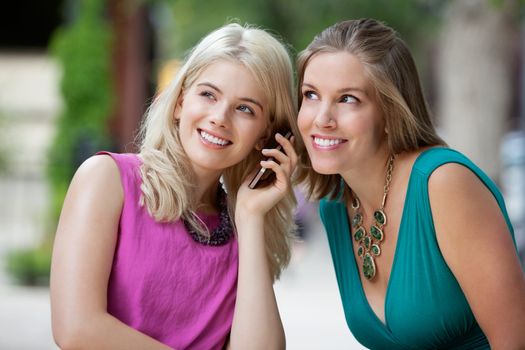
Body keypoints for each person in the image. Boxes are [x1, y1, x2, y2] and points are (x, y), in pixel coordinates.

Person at [50, 23, 299, 350]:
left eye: (245, 108)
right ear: (181, 101)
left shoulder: (243, 231)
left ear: (265, 136)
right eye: (208, 94)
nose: (219, 117)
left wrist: (251, 218)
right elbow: (77, 330)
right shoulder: (107, 180)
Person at [295, 19, 525, 349]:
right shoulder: (336, 207)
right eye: (311, 95)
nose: (322, 119)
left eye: (348, 99)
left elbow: (514, 341)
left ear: (390, 112)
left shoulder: (442, 183)